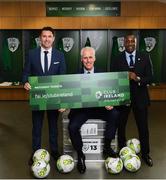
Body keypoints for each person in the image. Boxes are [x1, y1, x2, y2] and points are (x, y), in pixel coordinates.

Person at [68, 46, 119, 173]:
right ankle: (80, 155)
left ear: (94, 58)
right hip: (82, 110)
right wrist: (66, 104)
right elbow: (70, 95)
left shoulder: (103, 74)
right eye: (85, 58)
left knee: (115, 114)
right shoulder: (75, 76)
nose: (88, 60)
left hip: (99, 109)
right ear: (81, 60)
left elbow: (110, 93)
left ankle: (107, 146)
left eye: (90, 57)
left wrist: (110, 102)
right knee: (72, 127)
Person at [22, 26, 66, 165]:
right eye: (44, 36)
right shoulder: (32, 54)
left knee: (53, 126)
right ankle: (36, 152)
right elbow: (26, 73)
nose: (46, 39)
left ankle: (54, 151)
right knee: (37, 126)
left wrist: (62, 100)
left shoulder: (60, 55)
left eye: (49, 36)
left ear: (53, 38)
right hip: (38, 97)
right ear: (40, 38)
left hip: (53, 98)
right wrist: (25, 82)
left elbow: (63, 78)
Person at [111, 34, 153, 166]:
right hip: (123, 98)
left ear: (135, 42)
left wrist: (137, 78)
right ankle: (122, 151)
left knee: (143, 127)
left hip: (140, 98)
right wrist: (125, 77)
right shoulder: (117, 58)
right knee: (121, 126)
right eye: (127, 41)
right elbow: (113, 77)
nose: (129, 43)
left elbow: (150, 77)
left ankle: (146, 153)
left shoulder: (144, 56)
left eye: (132, 41)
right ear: (124, 43)